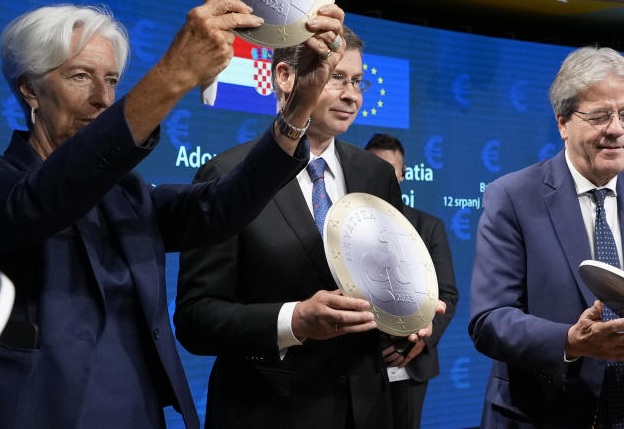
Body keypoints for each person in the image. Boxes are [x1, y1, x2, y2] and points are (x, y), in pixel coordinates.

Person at [0, 0, 349, 429]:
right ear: (29, 88)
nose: (102, 98)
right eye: (81, 76)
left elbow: (220, 207)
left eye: (112, 80)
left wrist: (300, 105)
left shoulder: (127, 194)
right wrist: (173, 74)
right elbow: (43, 200)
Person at [174, 29, 445, 429]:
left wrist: (410, 323)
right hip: (267, 413)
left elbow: (389, 283)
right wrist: (295, 320)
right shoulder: (226, 176)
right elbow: (196, 320)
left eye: (358, 82)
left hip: (368, 412)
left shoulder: (377, 175)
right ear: (284, 77)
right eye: (336, 78)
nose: (353, 96)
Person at [468, 46, 624, 428]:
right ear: (563, 122)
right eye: (599, 116)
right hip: (544, 415)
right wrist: (570, 341)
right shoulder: (512, 197)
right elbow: (490, 320)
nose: (617, 129)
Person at [364, 133, 460, 429]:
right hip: (356, 368)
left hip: (411, 366)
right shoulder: (340, 223)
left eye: (390, 169)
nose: (383, 175)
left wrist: (422, 340)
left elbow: (446, 294)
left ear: (403, 174)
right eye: (374, 167)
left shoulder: (429, 227)